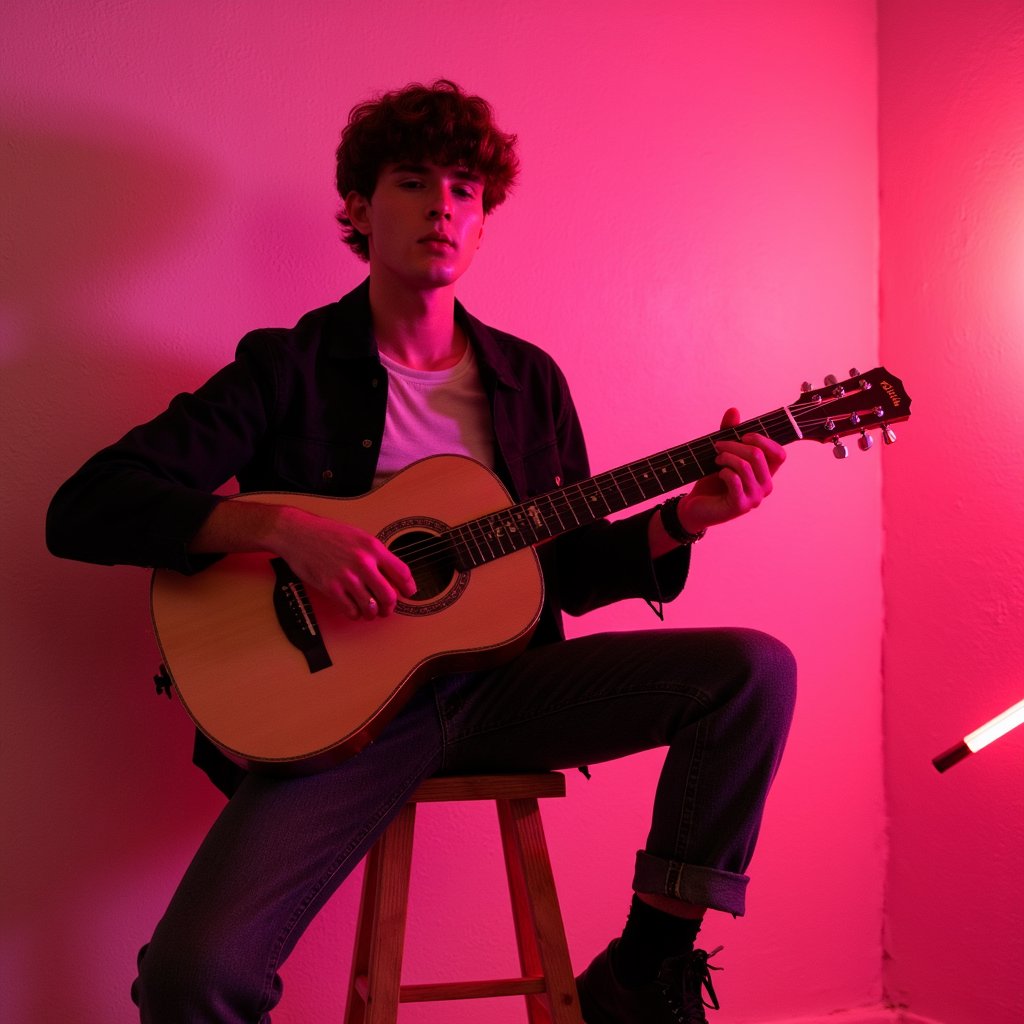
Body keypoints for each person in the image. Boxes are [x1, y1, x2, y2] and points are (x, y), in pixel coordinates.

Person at [47, 79, 796, 1024]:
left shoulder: (528, 381)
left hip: (505, 691)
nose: (443, 205)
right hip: (341, 720)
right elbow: (85, 507)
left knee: (752, 672)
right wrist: (280, 529)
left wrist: (683, 520)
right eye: (413, 182)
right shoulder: (288, 367)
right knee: (190, 979)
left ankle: (646, 970)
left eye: (465, 191)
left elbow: (563, 569)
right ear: (360, 209)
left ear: (481, 225)